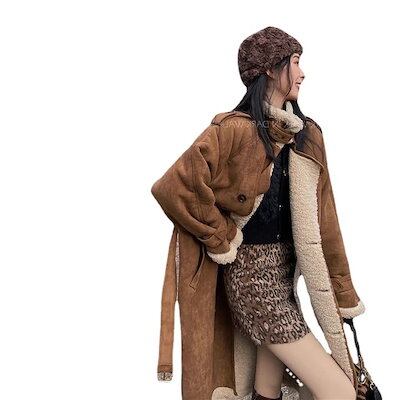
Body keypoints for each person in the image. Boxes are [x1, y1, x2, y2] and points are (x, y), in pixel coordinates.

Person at [151, 26, 364, 400]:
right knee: (341, 393)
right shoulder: (233, 130)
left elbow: (327, 223)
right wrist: (221, 237)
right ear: (270, 67)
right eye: (295, 62)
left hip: (285, 278)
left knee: (267, 389)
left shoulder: (308, 136)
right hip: (251, 280)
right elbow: (173, 187)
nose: (302, 73)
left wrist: (343, 292)